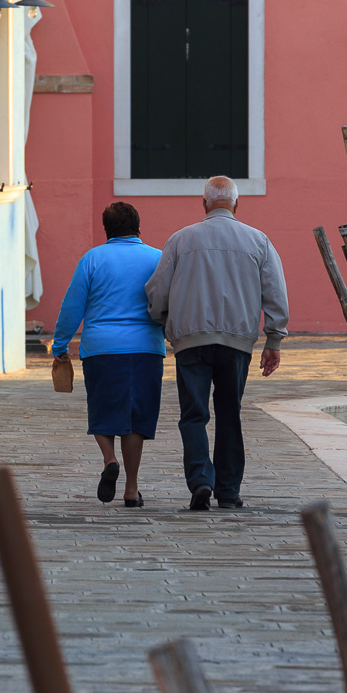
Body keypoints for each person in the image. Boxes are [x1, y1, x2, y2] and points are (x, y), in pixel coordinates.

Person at [145, 176, 289, 511]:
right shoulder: (258, 241)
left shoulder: (180, 240)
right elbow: (276, 296)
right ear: (237, 205)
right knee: (229, 415)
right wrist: (274, 339)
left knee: (193, 415)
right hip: (236, 343)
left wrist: (163, 322)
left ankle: (200, 481)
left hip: (190, 341)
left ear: (205, 203)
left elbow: (157, 291)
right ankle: (229, 490)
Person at [52, 202, 165, 506]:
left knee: (102, 410)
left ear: (106, 228)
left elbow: (72, 306)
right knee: (136, 417)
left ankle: (109, 459)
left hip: (101, 348)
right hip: (146, 348)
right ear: (138, 225)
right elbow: (170, 303)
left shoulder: (92, 259)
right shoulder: (157, 258)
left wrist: (59, 345)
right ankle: (131, 488)